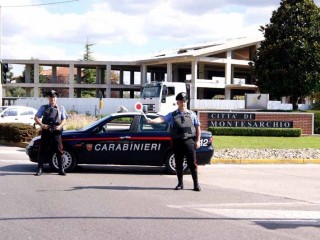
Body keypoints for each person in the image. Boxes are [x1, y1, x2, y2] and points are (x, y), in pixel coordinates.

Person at [147, 92, 201, 191]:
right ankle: (180, 184)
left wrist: (198, 141)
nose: (183, 102)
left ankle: (196, 184)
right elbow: (162, 118)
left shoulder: (192, 114)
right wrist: (152, 121)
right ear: (177, 102)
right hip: (177, 142)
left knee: (192, 163)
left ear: (186, 101)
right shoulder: (172, 115)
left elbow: (198, 128)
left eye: (184, 100)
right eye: (181, 101)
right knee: (179, 163)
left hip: (189, 141)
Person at [34, 90, 68, 176]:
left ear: (56, 98)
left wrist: (60, 126)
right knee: (42, 151)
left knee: (59, 150)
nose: (52, 99)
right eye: (51, 97)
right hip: (46, 131)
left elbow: (64, 119)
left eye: (54, 97)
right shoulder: (43, 107)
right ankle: (40, 170)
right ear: (48, 98)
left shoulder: (61, 108)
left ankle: (61, 169)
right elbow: (36, 117)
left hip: (56, 131)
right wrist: (42, 125)